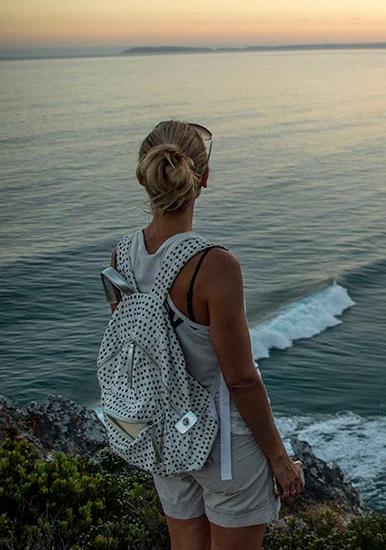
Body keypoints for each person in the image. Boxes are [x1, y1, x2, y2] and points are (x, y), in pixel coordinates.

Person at [108, 120, 303, 550]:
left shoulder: (122, 254)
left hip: (164, 435)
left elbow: (130, 350)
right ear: (205, 177)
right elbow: (240, 378)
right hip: (225, 446)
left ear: (143, 176)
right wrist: (278, 457)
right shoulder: (215, 265)